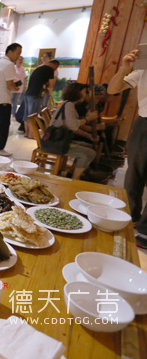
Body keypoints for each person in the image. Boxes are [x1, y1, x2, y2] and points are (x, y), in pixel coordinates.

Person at [107, 48, 147, 247]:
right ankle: (130, 217)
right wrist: (124, 68)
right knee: (134, 174)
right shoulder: (144, 68)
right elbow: (112, 89)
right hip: (144, 123)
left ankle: (146, 230)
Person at [48, 83, 98, 179]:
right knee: (88, 154)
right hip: (57, 143)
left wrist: (87, 136)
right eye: (85, 92)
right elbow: (73, 126)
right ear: (77, 93)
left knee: (89, 149)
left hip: (58, 140)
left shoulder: (67, 104)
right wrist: (88, 118)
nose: (87, 94)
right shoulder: (69, 105)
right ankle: (74, 179)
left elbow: (71, 127)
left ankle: (71, 174)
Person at [0, 43, 23, 156]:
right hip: (2, 100)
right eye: (18, 53)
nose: (18, 56)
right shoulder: (9, 64)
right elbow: (9, 85)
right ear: (10, 52)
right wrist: (15, 88)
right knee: (4, 125)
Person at [23, 60, 60, 137]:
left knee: (27, 114)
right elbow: (51, 84)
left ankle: (27, 132)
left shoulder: (40, 68)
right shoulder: (50, 70)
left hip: (28, 94)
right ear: (55, 65)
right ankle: (31, 134)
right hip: (36, 95)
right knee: (33, 115)